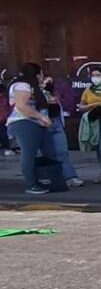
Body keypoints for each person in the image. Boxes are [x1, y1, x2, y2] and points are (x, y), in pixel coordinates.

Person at [6, 63, 56, 194]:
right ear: (37, 74)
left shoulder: (34, 87)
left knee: (48, 150)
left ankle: (45, 178)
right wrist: (41, 117)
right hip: (23, 122)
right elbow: (22, 106)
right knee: (29, 153)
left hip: (36, 123)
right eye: (41, 74)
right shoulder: (22, 85)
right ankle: (31, 183)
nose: (42, 76)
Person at [42, 75, 83, 188]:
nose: (47, 83)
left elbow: (63, 103)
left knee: (62, 151)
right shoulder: (33, 91)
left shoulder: (54, 92)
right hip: (43, 123)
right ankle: (49, 178)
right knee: (47, 153)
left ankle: (70, 177)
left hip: (56, 122)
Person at [78, 68, 101, 183]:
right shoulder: (88, 90)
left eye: (98, 75)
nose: (95, 77)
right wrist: (95, 104)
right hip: (94, 120)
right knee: (97, 146)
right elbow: (81, 107)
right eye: (93, 75)